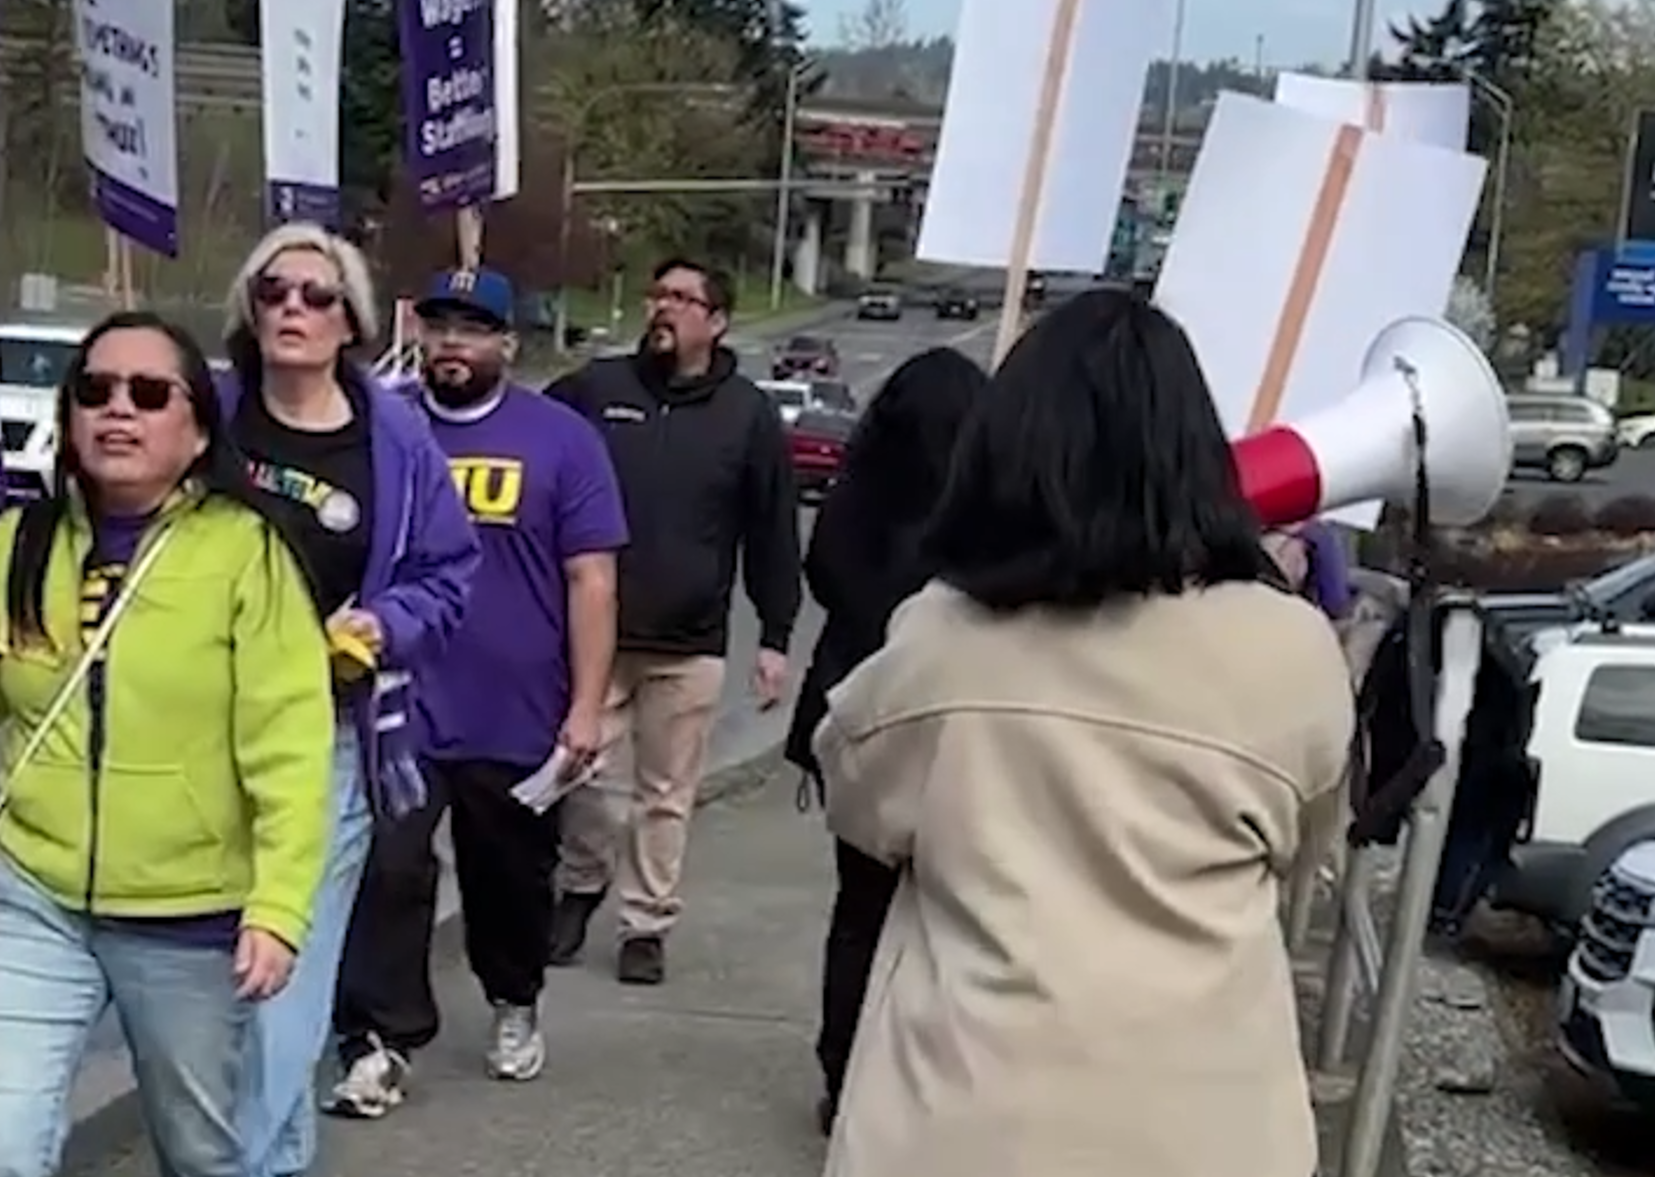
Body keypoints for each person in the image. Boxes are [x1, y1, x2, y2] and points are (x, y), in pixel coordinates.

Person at [813, 288, 1355, 1177]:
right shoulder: (1290, 646)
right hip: (1207, 1125)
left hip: (962, 1118)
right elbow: (1308, 839)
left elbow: (859, 804)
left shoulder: (942, 637)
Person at [0, 310, 334, 1177]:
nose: (119, 410)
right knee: (0, 1148)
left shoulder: (246, 554)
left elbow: (292, 749)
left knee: (202, 1156)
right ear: (69, 417)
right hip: (39, 901)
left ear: (193, 432)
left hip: (190, 917)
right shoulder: (16, 546)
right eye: (95, 391)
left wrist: (279, 909)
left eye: (149, 394)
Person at [322, 266, 628, 1119]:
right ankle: (379, 1041)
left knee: (509, 880)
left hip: (518, 709)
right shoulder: (383, 430)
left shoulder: (562, 440)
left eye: (474, 329)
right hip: (400, 706)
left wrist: (587, 706)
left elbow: (592, 579)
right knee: (389, 872)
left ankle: (513, 998)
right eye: (441, 326)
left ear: (508, 344)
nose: (453, 344)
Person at [217, 223, 481, 1177]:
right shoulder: (209, 412)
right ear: (251, 308)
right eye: (274, 290)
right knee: (208, 1000)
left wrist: (382, 623)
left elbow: (452, 570)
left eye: (316, 296)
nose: (293, 307)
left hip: (326, 745)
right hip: (198, 742)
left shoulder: (398, 436)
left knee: (279, 988)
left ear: (352, 322)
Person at [542, 255, 803, 986]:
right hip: (597, 635)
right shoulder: (596, 390)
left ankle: (646, 922)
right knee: (584, 778)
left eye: (685, 299)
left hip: (689, 644)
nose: (665, 308)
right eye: (659, 294)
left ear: (717, 323)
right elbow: (531, 449)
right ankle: (581, 886)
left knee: (665, 793)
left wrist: (776, 635)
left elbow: (772, 528)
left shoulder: (746, 414)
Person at [780, 345, 986, 1136]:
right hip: (954, 735)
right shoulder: (979, 524)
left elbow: (827, 580)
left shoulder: (856, 503)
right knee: (947, 916)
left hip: (858, 724)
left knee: (859, 907)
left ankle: (843, 1071)